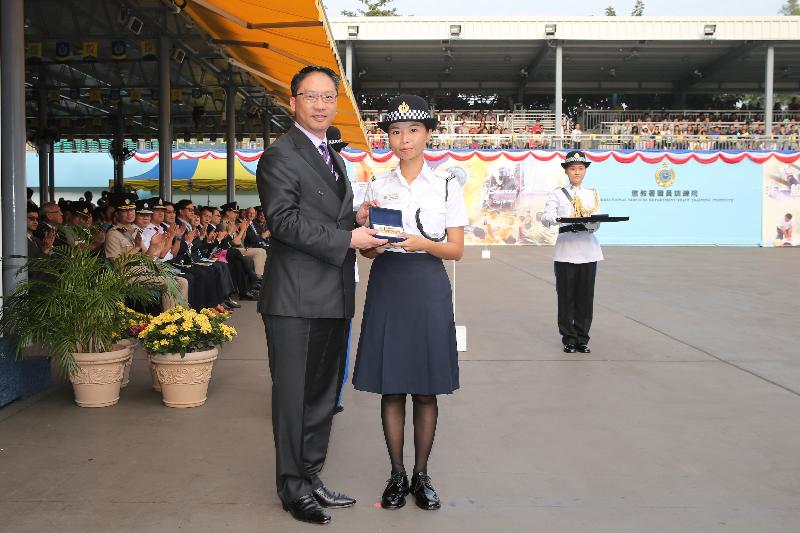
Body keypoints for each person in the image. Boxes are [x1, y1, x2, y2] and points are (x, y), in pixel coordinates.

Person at [255, 65, 385, 525]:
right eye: (311, 96)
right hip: (293, 299)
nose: (320, 105)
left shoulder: (335, 157)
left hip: (332, 293)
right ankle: (293, 490)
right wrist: (348, 239)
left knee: (323, 396)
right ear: (293, 102)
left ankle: (311, 477)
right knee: (294, 398)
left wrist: (357, 218)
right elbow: (284, 222)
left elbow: (329, 219)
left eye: (328, 97)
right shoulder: (280, 155)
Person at [353, 94, 468, 512]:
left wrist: (423, 244)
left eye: (413, 131)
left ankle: (422, 474)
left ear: (428, 135)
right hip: (388, 282)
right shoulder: (377, 185)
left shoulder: (444, 185)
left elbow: (456, 249)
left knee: (424, 388)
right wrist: (371, 244)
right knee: (392, 385)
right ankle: (396, 474)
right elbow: (366, 251)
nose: (404, 139)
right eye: (396, 132)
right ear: (388, 137)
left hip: (427, 285)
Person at [540, 150, 603, 354]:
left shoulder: (591, 193)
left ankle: (582, 338)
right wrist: (559, 220)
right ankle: (569, 338)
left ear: (585, 171)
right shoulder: (557, 194)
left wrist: (589, 226)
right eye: (573, 168)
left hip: (588, 251)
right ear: (566, 171)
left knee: (586, 298)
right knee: (566, 298)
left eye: (581, 168)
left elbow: (596, 222)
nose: (577, 172)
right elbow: (546, 216)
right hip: (566, 251)